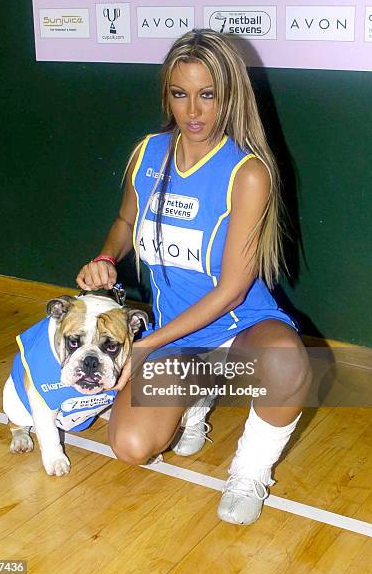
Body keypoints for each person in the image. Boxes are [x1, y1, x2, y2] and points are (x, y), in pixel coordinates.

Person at [76, 29, 311, 526]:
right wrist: (105, 257)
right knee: (131, 446)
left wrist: (142, 349)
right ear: (168, 95)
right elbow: (124, 223)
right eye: (181, 94)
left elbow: (231, 292)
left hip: (238, 328)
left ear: (229, 96)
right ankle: (196, 396)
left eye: (208, 94)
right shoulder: (148, 153)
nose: (194, 111)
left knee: (287, 360)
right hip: (179, 337)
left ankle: (250, 470)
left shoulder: (247, 173)